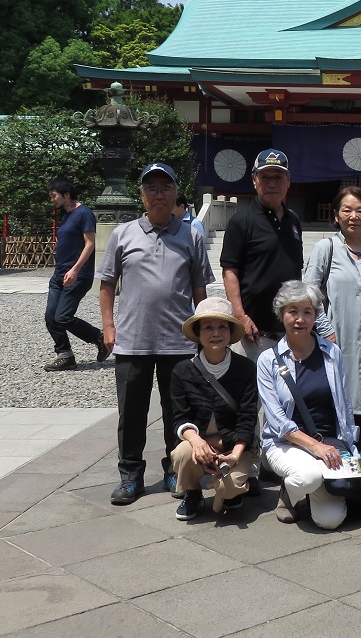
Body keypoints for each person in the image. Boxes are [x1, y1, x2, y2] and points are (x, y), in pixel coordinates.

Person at [97, 163, 213, 505]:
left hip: (178, 340)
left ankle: (174, 469)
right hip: (132, 341)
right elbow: (106, 283)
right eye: (152, 188)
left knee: (177, 411)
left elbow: (199, 287)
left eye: (165, 188)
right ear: (143, 195)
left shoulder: (191, 235)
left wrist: (203, 329)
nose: (159, 194)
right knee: (131, 412)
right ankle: (130, 475)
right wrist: (108, 325)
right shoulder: (123, 234)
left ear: (176, 194)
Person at [256, 281, 361, 530]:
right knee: (307, 477)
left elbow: (344, 405)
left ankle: (315, 484)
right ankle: (290, 491)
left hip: (329, 442)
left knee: (329, 521)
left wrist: (349, 445)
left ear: (315, 315)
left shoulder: (331, 353)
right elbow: (278, 421)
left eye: (307, 312)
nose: (300, 319)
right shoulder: (268, 360)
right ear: (282, 315)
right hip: (286, 444)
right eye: (293, 311)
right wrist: (316, 448)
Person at [304, 186, 361, 422]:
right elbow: (309, 291)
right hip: (339, 333)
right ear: (336, 215)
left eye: (360, 211)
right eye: (347, 210)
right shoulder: (327, 248)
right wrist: (325, 328)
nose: (354, 216)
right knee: (340, 395)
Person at [170, 297, 258, 520]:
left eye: (222, 326)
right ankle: (192, 492)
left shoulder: (245, 368)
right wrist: (197, 441)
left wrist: (236, 455)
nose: (215, 333)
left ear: (230, 332)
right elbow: (179, 417)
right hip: (202, 441)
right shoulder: (182, 371)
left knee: (230, 490)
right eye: (208, 327)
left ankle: (231, 489)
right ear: (198, 333)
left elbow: (247, 417)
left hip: (233, 442)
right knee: (183, 452)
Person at [220, 149, 304, 361]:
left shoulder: (293, 221)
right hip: (255, 333)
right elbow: (230, 271)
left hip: (289, 330)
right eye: (265, 177)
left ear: (288, 180)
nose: (272, 183)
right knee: (251, 393)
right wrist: (240, 316)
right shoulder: (242, 221)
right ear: (254, 180)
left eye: (278, 177)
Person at [43, 177, 109, 371]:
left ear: (66, 194)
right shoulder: (65, 216)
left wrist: (75, 269)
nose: (52, 200)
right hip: (59, 275)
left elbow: (90, 244)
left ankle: (99, 338)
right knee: (50, 317)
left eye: (54, 196)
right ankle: (65, 356)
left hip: (78, 275)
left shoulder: (84, 213)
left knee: (62, 317)